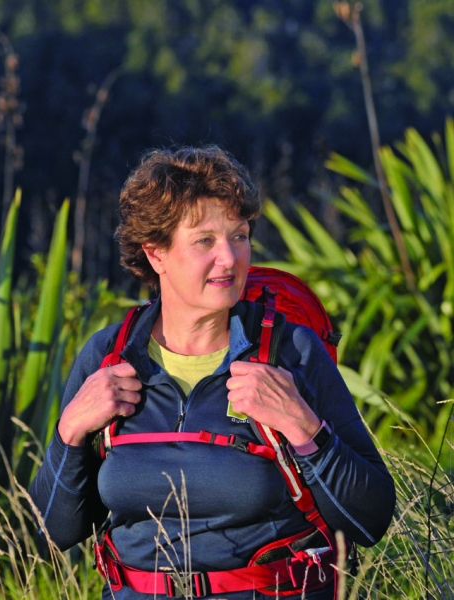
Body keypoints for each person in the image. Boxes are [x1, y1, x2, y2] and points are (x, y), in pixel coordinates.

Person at [29, 145, 395, 599]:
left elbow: (370, 520)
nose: (230, 258)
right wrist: (69, 432)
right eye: (205, 240)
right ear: (156, 253)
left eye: (239, 236)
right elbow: (51, 533)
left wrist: (304, 427)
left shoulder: (294, 352)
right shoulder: (108, 356)